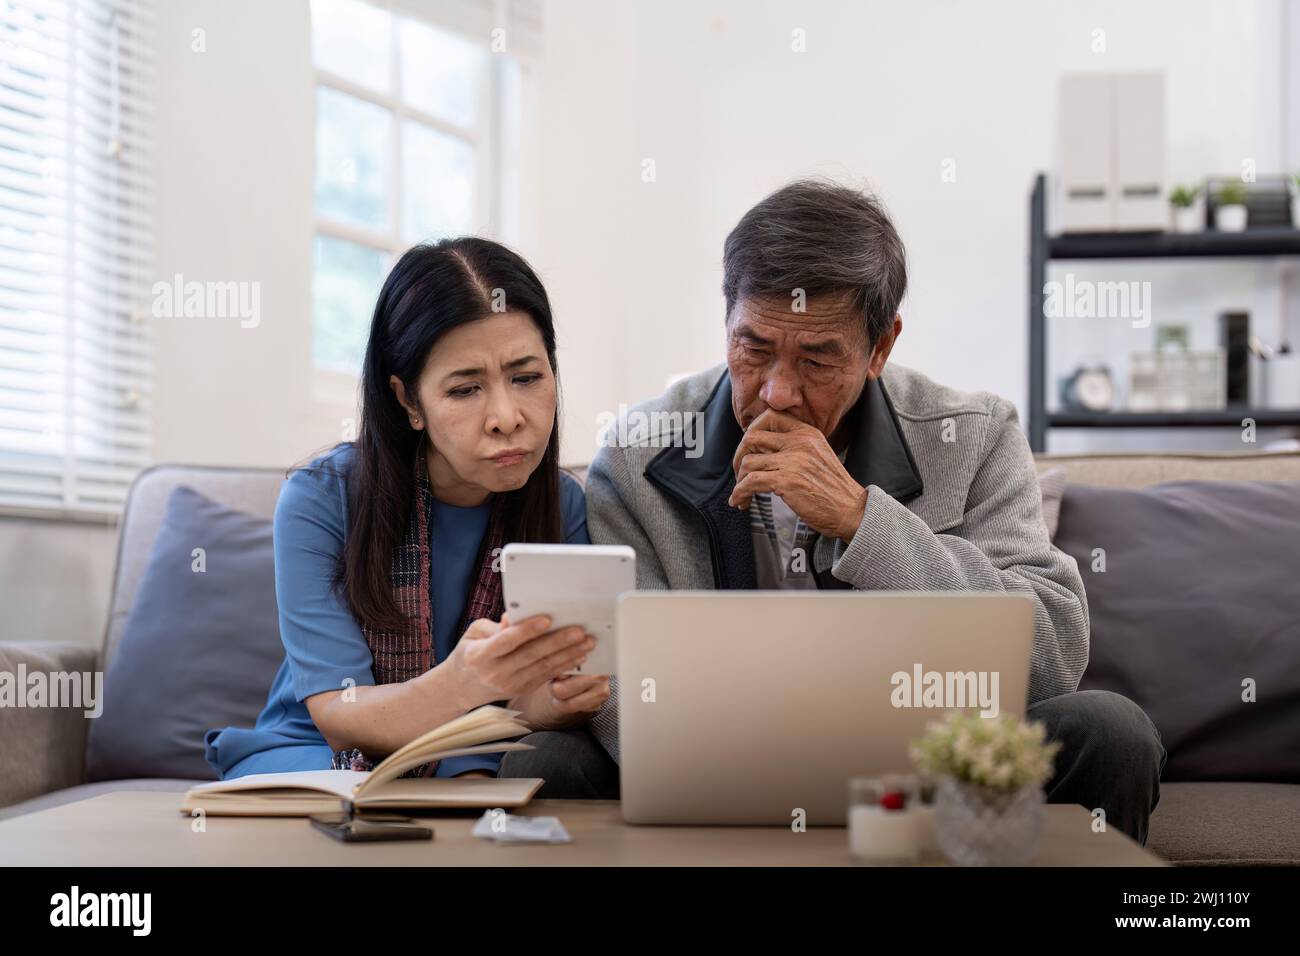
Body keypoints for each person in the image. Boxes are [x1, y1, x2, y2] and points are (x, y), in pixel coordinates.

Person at [583, 180, 1166, 843]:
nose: (778, 393)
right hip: (714, 762)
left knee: (1110, 732)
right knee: (557, 763)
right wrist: (745, 768)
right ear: (727, 324)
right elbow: (614, 674)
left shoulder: (975, 435)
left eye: (817, 359)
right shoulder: (639, 454)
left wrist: (866, 523)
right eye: (754, 348)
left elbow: (1051, 657)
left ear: (881, 348)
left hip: (926, 763)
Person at [204, 237, 616, 797]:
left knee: (492, 781)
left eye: (526, 377)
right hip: (320, 752)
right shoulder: (322, 497)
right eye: (465, 389)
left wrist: (547, 705)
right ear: (408, 401)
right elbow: (336, 712)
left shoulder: (564, 506)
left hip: (476, 748)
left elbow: (525, 706)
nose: (506, 417)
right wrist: (464, 683)